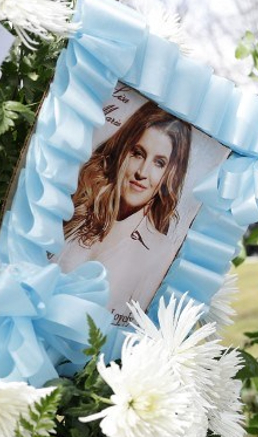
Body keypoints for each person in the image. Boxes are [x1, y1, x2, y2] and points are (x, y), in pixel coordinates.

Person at [57, 103, 193, 326]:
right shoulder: (78, 209)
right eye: (138, 154)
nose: (142, 172)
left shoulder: (160, 253)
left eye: (159, 163)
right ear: (122, 152)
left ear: (170, 175)